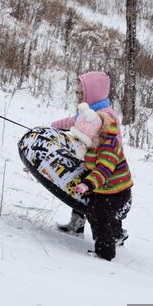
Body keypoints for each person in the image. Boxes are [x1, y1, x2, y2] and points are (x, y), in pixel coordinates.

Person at [52, 72, 132, 261]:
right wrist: (53, 127)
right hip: (95, 164)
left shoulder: (107, 118)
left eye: (82, 93)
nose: (79, 97)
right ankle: (76, 224)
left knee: (104, 209)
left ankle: (115, 235)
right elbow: (72, 123)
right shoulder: (87, 113)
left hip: (109, 170)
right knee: (86, 193)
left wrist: (102, 161)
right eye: (78, 93)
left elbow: (112, 148)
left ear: (93, 93)